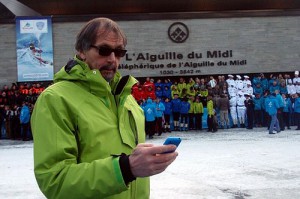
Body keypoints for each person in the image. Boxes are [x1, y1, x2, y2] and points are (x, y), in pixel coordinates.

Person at [31, 18, 178, 199]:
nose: (112, 59)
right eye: (104, 50)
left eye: (119, 52)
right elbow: (55, 180)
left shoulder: (127, 99)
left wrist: (143, 161)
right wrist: (125, 168)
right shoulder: (55, 99)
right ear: (82, 51)